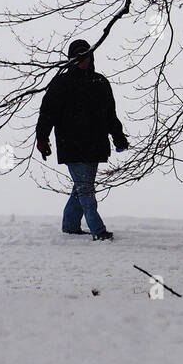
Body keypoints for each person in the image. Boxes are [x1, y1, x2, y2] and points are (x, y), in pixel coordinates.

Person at [36, 39, 129, 240]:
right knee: (86, 188)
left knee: (82, 186)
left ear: (91, 56)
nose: (82, 60)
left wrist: (118, 137)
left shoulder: (100, 82)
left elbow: (110, 115)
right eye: (77, 56)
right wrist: (42, 139)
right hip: (71, 145)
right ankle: (98, 230)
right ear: (71, 59)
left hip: (95, 145)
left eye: (85, 55)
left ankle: (70, 225)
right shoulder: (61, 83)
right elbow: (47, 114)